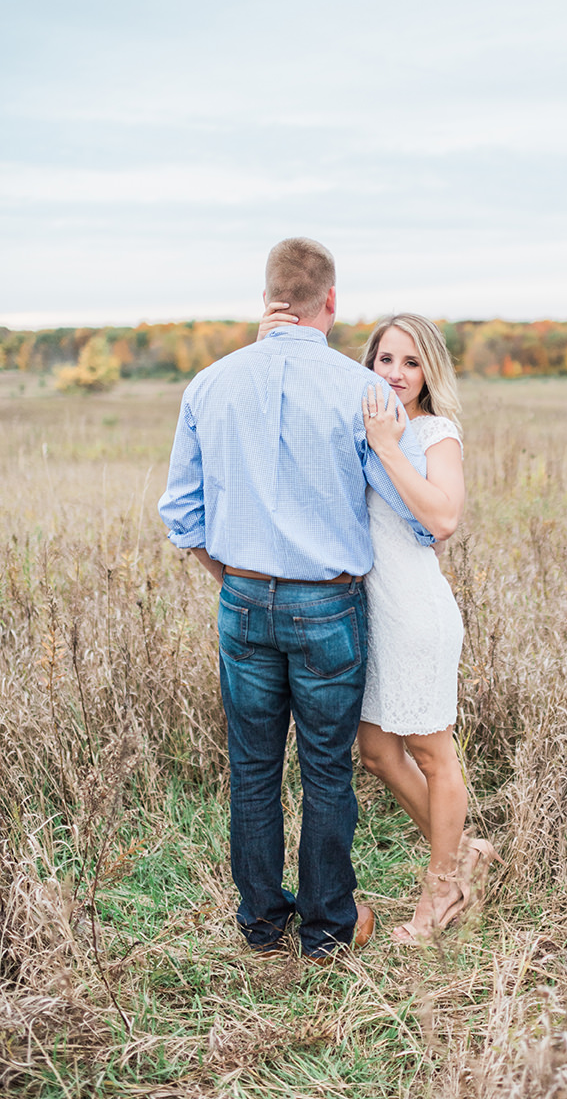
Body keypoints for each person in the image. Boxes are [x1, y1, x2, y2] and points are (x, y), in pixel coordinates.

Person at [158, 237, 436, 964]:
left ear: (266, 299)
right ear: (332, 303)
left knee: (251, 768)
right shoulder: (364, 391)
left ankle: (260, 924)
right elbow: (415, 518)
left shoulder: (209, 384)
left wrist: (235, 580)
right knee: (324, 770)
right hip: (329, 608)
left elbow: (180, 515)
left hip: (243, 601)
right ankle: (325, 930)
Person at [258, 304, 500, 944]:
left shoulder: (433, 433)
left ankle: (441, 889)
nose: (395, 373)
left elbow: (443, 519)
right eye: (384, 359)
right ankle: (463, 854)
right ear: (367, 363)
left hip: (415, 612)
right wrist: (270, 346)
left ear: (430, 371)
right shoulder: (356, 422)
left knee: (432, 749)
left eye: (411, 362)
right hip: (366, 615)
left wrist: (391, 448)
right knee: (375, 750)